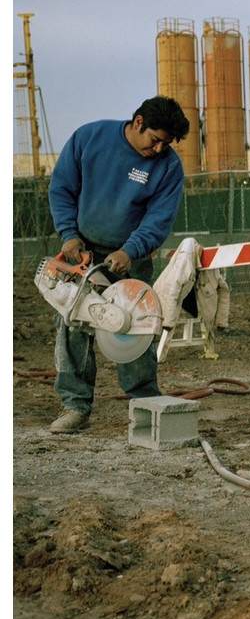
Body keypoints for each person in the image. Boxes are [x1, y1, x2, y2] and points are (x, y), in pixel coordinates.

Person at [47, 95, 190, 434]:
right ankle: (75, 407)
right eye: (155, 140)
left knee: (137, 328)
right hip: (81, 252)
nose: (158, 150)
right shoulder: (90, 139)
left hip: (131, 258)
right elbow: (61, 188)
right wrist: (69, 235)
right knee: (74, 325)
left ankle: (145, 402)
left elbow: (158, 220)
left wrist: (130, 251)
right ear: (138, 122)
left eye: (165, 144)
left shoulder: (168, 167)